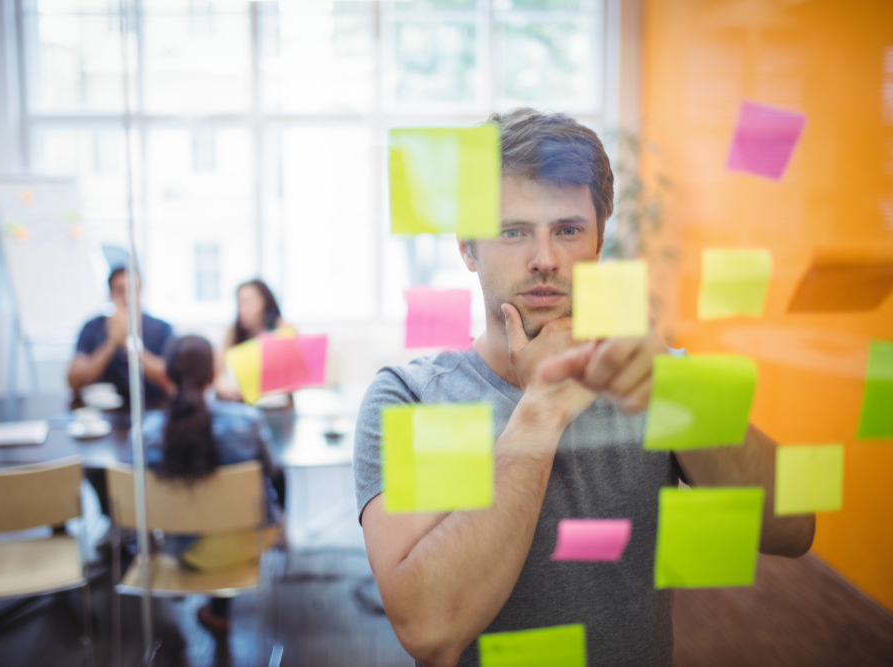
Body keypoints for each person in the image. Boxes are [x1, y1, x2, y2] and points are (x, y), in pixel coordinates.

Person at [353, 108, 815, 667]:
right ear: (467, 247)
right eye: (512, 230)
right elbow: (430, 628)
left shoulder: (653, 376)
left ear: (597, 242)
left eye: (568, 230)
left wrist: (672, 384)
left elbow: (793, 528)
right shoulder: (412, 398)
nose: (544, 259)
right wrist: (540, 408)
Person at [144, 335, 285, 634]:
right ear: (213, 374)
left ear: (166, 375)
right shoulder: (248, 421)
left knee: (190, 518)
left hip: (182, 553)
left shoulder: (147, 433)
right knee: (238, 511)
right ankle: (220, 612)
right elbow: (273, 470)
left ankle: (193, 599)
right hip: (248, 545)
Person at [68, 266, 173, 403]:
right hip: (103, 414)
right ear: (110, 294)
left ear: (140, 292)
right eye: (119, 290)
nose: (126, 298)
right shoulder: (92, 327)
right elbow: (74, 381)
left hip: (152, 409)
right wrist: (111, 343)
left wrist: (130, 344)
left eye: (132, 290)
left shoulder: (161, 328)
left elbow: (171, 381)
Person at [216, 279, 290, 402]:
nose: (242, 311)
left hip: (275, 405)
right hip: (239, 402)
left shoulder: (282, 329)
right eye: (239, 304)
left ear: (265, 303)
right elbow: (218, 376)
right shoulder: (233, 332)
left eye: (248, 303)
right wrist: (230, 390)